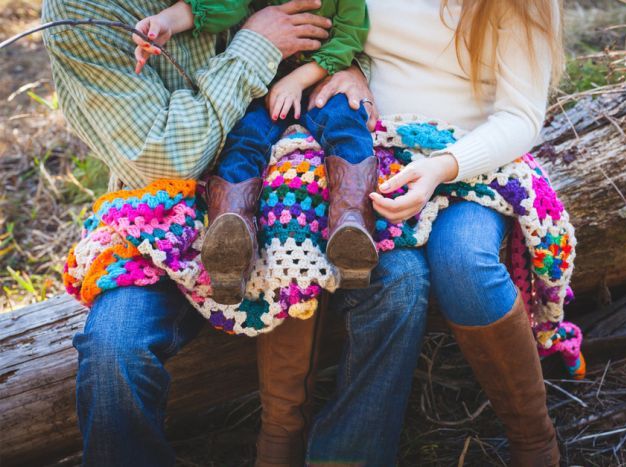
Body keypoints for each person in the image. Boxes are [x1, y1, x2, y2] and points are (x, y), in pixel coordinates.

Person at [42, 0, 429, 465]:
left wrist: (353, 69)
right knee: (113, 348)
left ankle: (347, 454)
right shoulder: (85, 11)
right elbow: (167, 157)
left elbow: (342, 21)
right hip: (166, 219)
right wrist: (257, 44)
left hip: (302, 186)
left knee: (402, 282)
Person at [307, 0, 565, 465]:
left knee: (463, 260)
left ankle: (534, 441)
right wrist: (350, 69)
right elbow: (331, 26)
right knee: (395, 276)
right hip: (374, 151)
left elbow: (521, 116)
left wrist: (442, 168)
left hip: (472, 161)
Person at [130, 0, 378, 305]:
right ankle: (230, 241)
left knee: (347, 124)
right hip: (266, 86)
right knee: (244, 138)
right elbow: (220, 6)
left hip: (321, 82)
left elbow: (349, 38)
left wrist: (297, 80)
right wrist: (166, 21)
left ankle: (352, 226)